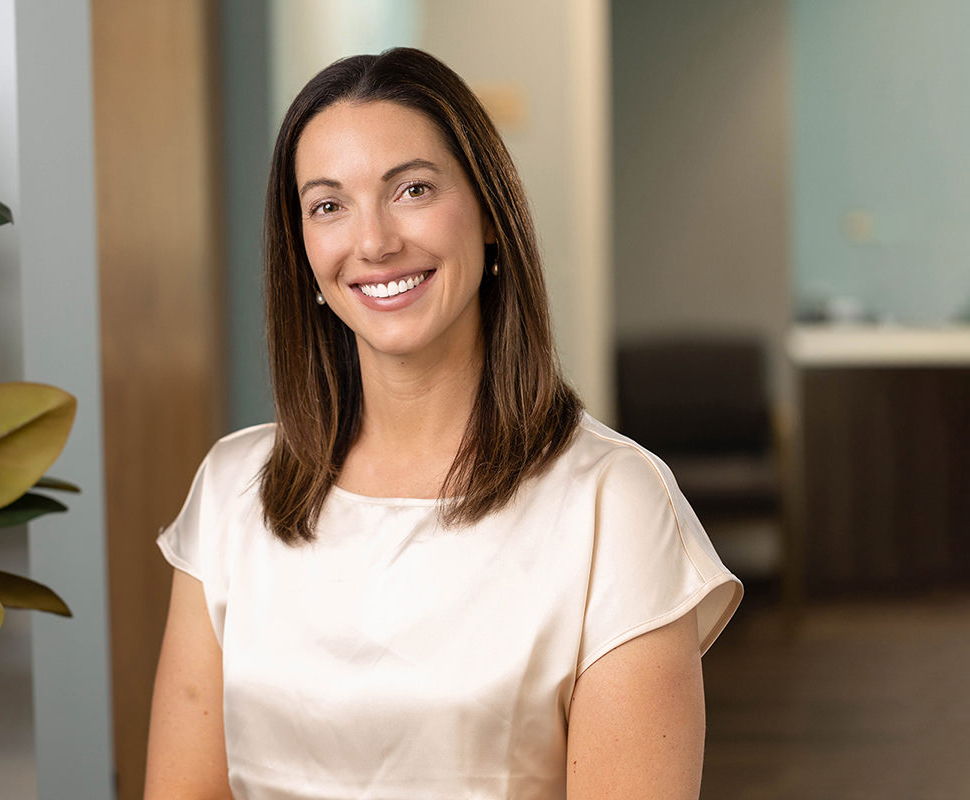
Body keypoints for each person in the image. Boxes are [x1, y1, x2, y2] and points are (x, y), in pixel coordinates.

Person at [145, 47, 741, 800]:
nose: (374, 241)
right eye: (329, 205)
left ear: (490, 213)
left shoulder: (613, 504)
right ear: (301, 249)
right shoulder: (233, 491)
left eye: (413, 189)